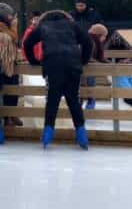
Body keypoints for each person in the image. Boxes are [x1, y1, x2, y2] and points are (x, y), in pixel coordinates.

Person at [23, 9, 94, 149]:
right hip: (72, 65)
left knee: (53, 100)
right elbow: (88, 42)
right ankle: (82, 136)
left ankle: (47, 135)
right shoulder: (72, 26)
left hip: (53, 65)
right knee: (73, 100)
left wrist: (34, 61)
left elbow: (27, 43)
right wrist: (83, 61)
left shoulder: (44, 26)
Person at [0, 2, 20, 122]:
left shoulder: (4, 24)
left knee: (14, 89)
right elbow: (14, 37)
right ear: (4, 15)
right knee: (7, 90)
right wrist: (14, 26)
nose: (11, 17)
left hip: (10, 60)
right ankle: (7, 116)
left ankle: (12, 114)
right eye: (10, 15)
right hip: (3, 62)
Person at [84, 22, 109, 110]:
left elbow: (100, 57)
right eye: (104, 36)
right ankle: (91, 100)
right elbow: (88, 58)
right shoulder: (90, 42)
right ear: (99, 34)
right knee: (90, 76)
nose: (105, 38)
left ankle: (91, 100)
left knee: (91, 75)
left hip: (87, 66)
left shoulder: (96, 42)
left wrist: (109, 64)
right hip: (81, 66)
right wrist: (99, 63)